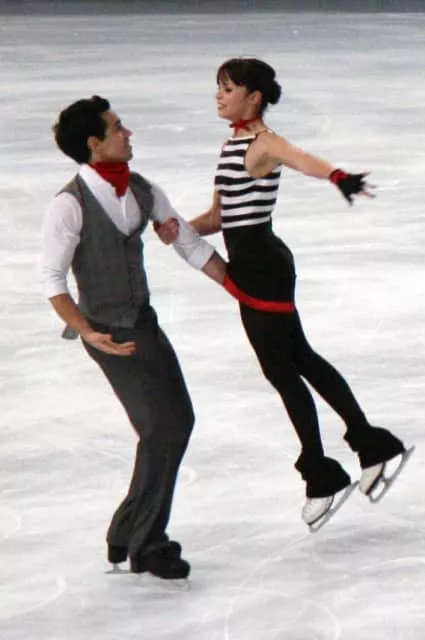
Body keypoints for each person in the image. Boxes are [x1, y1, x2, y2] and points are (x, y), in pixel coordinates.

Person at [157, 57, 408, 528]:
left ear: (253, 97)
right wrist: (181, 230)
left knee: (282, 369)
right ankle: (370, 445)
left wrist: (337, 176)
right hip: (255, 263)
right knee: (300, 360)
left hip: (263, 268)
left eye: (228, 89)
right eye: (218, 88)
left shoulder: (263, 143)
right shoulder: (232, 146)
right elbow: (220, 217)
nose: (219, 96)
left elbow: (300, 157)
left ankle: (324, 472)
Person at [40, 95, 227, 579]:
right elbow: (53, 280)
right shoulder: (69, 204)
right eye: (118, 127)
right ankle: (147, 544)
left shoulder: (141, 189)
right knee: (161, 428)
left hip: (143, 323)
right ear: (94, 143)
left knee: (176, 422)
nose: (128, 133)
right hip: (107, 332)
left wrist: (240, 289)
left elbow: (189, 245)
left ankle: (127, 530)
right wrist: (87, 332)